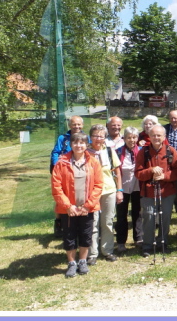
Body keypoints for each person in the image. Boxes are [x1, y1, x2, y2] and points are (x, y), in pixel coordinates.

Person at [51, 132, 103, 277]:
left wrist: (88, 205)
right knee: (69, 236)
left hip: (87, 208)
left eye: (82, 143)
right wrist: (68, 206)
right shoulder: (61, 163)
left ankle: (82, 261)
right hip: (69, 209)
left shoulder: (93, 162)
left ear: (86, 145)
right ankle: (71, 263)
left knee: (86, 235)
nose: (79, 145)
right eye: (75, 142)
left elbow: (98, 185)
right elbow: (57, 187)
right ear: (71, 145)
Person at [135, 125, 177, 256]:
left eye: (159, 135)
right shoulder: (143, 152)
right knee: (149, 217)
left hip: (166, 191)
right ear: (149, 136)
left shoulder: (171, 151)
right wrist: (150, 171)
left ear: (164, 137)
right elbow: (138, 173)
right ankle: (147, 245)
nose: (156, 138)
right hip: (148, 192)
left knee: (165, 217)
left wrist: (165, 176)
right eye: (153, 135)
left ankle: (163, 242)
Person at [87, 124, 123, 264]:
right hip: (91, 193)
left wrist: (119, 190)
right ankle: (92, 253)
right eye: (95, 135)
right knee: (93, 222)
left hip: (108, 190)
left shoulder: (109, 150)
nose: (98, 138)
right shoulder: (85, 152)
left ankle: (107, 250)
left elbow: (117, 171)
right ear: (90, 137)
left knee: (107, 221)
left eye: (101, 136)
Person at [50, 115, 85, 237]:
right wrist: (57, 167)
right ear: (69, 125)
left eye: (79, 124)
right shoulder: (63, 138)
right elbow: (55, 153)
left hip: (81, 171)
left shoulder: (86, 138)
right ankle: (59, 222)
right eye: (74, 124)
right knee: (62, 198)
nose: (77, 126)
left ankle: (79, 223)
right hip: (65, 172)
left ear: (82, 125)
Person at [115, 127, 143, 253]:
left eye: (134, 137)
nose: (132, 140)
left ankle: (138, 238)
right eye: (129, 137)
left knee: (138, 213)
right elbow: (115, 171)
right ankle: (121, 241)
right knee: (122, 215)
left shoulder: (142, 151)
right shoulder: (118, 152)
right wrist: (118, 189)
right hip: (123, 186)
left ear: (137, 138)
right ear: (124, 138)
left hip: (137, 185)